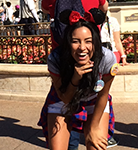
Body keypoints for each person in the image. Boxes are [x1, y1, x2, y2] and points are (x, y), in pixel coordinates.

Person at [38, 8, 119, 150]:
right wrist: (75, 78)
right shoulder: (56, 58)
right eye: (75, 41)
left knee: (96, 145)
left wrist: (93, 128)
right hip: (62, 100)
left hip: (95, 100)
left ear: (96, 41)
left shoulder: (107, 58)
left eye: (88, 41)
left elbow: (103, 94)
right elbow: (65, 99)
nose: (82, 48)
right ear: (68, 43)